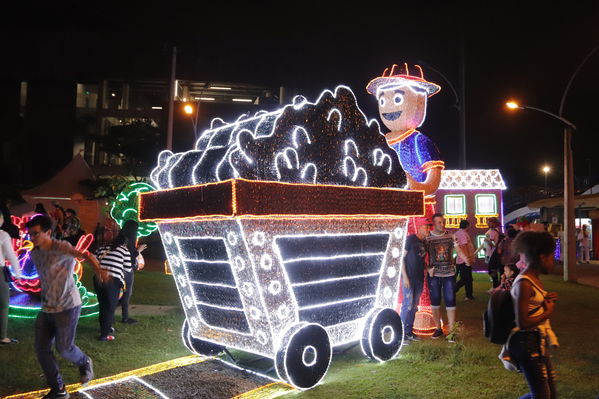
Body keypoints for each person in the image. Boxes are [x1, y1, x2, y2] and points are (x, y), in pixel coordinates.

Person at [26, 214, 108, 399]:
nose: (32, 237)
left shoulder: (62, 247)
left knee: (64, 348)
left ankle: (84, 361)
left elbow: (85, 254)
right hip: (47, 308)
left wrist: (99, 269)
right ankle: (59, 390)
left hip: (67, 306)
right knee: (41, 349)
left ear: (48, 232)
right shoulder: (35, 253)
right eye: (30, 234)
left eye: (36, 233)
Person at [508, 231, 559, 399]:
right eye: (552, 257)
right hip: (525, 344)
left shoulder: (534, 279)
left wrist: (545, 301)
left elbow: (532, 305)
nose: (553, 262)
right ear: (542, 257)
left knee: (550, 394)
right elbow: (523, 322)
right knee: (542, 395)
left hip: (537, 342)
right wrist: (548, 312)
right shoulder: (524, 283)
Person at [94, 232, 131, 341]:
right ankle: (104, 335)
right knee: (110, 307)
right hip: (112, 280)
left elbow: (94, 258)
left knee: (103, 305)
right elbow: (128, 267)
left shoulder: (103, 248)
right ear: (124, 243)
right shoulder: (124, 250)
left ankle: (107, 328)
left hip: (98, 279)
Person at [426, 213, 457, 341]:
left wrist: (464, 257)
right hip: (434, 274)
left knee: (450, 300)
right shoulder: (428, 238)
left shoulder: (450, 235)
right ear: (434, 224)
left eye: (442, 221)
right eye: (439, 222)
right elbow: (422, 255)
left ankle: (452, 330)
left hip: (449, 272)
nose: (442, 224)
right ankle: (438, 328)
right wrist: (428, 269)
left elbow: (457, 249)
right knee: (435, 300)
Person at [400, 217, 431, 342]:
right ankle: (400, 334)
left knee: (414, 306)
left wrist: (427, 269)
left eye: (429, 226)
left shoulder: (424, 243)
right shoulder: (410, 240)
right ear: (419, 227)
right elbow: (401, 258)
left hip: (419, 278)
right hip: (409, 278)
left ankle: (409, 331)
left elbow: (421, 260)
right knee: (407, 305)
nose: (428, 229)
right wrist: (405, 277)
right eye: (426, 226)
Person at [0, 212, 23, 345]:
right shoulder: (3, 235)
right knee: (3, 304)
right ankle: (2, 337)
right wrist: (18, 274)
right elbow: (11, 256)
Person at [119, 220, 147, 324]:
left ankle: (118, 314)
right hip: (126, 270)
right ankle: (125, 317)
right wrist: (138, 251)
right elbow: (130, 258)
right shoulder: (128, 241)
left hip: (118, 268)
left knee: (121, 292)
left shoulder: (120, 239)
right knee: (126, 293)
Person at [454, 220, 476, 300]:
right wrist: (467, 258)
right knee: (465, 279)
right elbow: (464, 246)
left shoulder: (457, 233)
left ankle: (469, 295)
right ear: (467, 225)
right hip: (464, 260)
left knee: (468, 279)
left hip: (462, 259)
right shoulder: (463, 233)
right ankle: (452, 291)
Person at [477, 217, 502, 288]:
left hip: (492, 254)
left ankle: (495, 286)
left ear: (494, 223)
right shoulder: (492, 231)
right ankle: (496, 285)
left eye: (489, 222)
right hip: (489, 253)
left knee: (492, 271)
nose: (487, 223)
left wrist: (488, 242)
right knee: (491, 270)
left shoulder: (494, 232)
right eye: (488, 221)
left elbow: (495, 244)